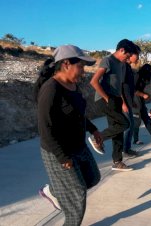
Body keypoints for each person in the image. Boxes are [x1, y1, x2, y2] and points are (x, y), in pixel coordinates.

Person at [36, 45, 101, 225]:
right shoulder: (51, 90)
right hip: (58, 150)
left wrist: (93, 129)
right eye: (80, 66)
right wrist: (62, 157)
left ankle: (54, 192)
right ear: (66, 64)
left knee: (93, 177)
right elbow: (45, 129)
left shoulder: (73, 85)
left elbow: (77, 114)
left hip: (78, 145)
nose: (83, 72)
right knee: (76, 199)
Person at [89, 39, 139, 171]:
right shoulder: (107, 60)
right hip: (105, 99)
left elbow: (118, 86)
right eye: (127, 56)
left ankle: (117, 162)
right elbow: (94, 81)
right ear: (122, 50)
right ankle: (98, 138)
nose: (128, 59)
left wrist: (122, 101)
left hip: (116, 99)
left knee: (118, 130)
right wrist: (106, 98)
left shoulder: (122, 65)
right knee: (125, 124)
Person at [132, 64, 151, 144]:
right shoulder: (137, 76)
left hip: (140, 100)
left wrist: (144, 94)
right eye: (149, 71)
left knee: (147, 119)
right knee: (136, 122)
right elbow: (132, 90)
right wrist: (143, 95)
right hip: (135, 101)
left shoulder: (143, 77)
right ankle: (135, 140)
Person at [122, 44, 141, 157]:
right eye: (137, 54)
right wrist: (123, 102)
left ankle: (127, 148)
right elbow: (119, 86)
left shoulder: (128, 67)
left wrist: (132, 100)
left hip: (129, 100)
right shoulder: (123, 67)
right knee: (128, 125)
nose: (138, 57)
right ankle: (125, 149)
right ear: (131, 54)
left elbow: (129, 87)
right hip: (124, 102)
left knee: (131, 124)